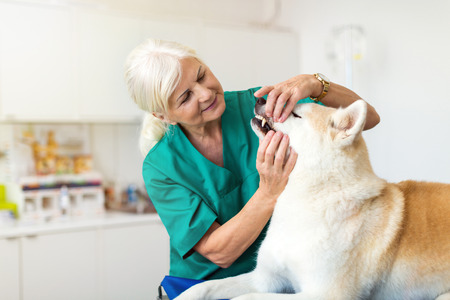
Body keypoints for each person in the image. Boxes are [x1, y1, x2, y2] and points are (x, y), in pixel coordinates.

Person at [124, 39, 380, 280]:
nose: (205, 94)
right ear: (164, 116)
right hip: (208, 286)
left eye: (201, 76)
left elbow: (369, 119)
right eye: (185, 97)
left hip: (282, 276)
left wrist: (315, 84)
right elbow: (219, 252)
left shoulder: (259, 104)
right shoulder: (161, 167)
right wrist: (269, 191)